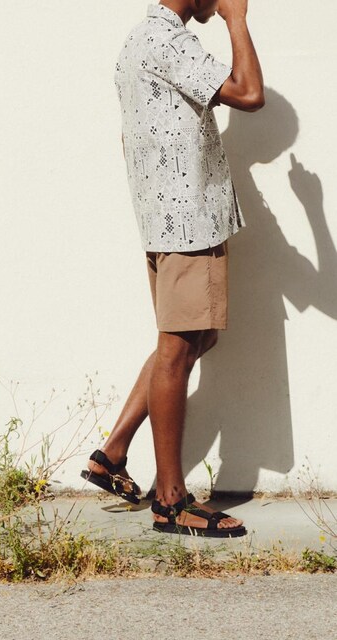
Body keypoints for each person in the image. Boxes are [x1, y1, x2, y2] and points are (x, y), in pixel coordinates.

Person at [80, 0, 264, 537]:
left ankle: (112, 454)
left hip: (166, 223)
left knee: (190, 340)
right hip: (189, 226)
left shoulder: (138, 41)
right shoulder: (170, 43)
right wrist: (236, 20)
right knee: (178, 350)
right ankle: (170, 500)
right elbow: (249, 93)